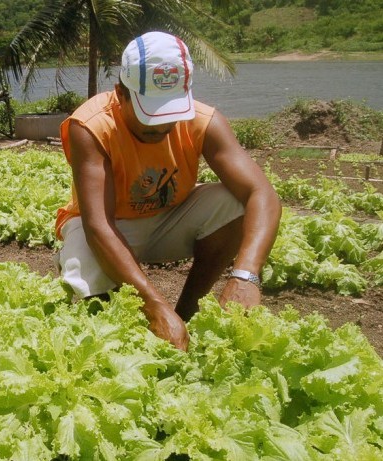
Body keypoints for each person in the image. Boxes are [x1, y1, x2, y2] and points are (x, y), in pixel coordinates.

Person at [54, 31, 281, 351]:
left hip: (169, 221)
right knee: (86, 259)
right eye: (150, 115)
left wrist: (246, 275)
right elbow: (99, 227)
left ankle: (186, 315)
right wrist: (155, 306)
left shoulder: (205, 122)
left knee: (235, 204)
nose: (161, 127)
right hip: (108, 229)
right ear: (121, 93)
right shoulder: (91, 126)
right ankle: (112, 339)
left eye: (170, 115)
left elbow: (262, 194)